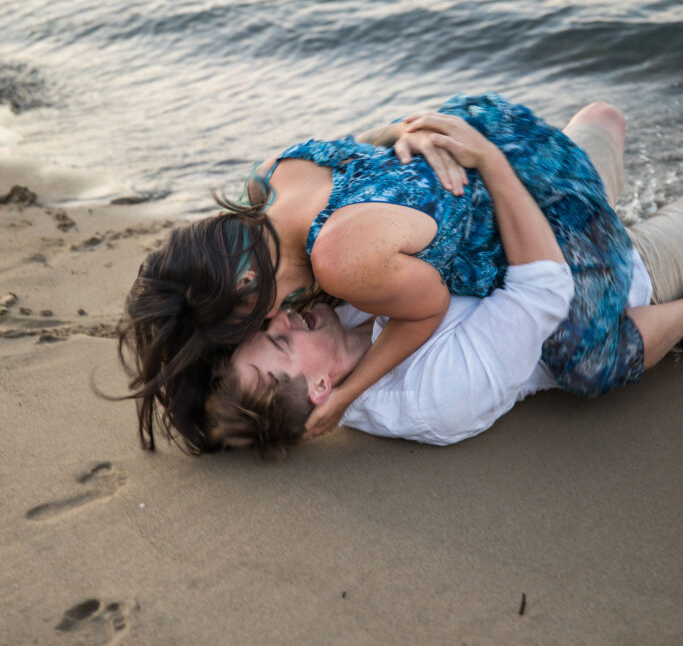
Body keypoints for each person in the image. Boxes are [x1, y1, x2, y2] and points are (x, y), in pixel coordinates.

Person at [119, 95, 680, 453]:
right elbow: (361, 147)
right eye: (270, 337)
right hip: (482, 135)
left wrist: (346, 395)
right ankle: (594, 128)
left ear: (245, 283)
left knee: (589, 361)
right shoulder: (267, 181)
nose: (281, 319)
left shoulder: (340, 262)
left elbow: (434, 306)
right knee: (598, 128)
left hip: (533, 199)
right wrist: (408, 129)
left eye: (261, 320)